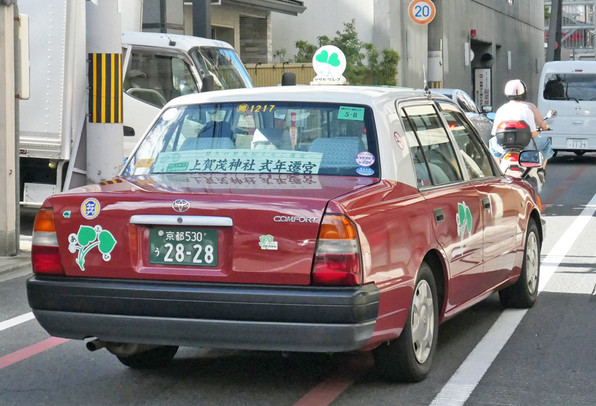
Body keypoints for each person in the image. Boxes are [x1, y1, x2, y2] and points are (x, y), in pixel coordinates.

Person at [489, 79, 554, 169]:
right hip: (526, 146)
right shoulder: (527, 109)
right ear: (524, 93)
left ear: (506, 94)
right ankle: (541, 169)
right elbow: (534, 134)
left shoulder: (501, 109)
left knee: (492, 143)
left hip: (504, 147)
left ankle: (498, 169)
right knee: (546, 143)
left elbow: (495, 134)